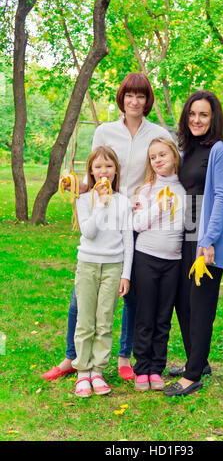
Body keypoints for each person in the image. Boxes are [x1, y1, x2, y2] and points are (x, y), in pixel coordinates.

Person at [41, 73, 173, 382]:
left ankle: (124, 357)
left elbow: (162, 168)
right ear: (122, 98)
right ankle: (72, 358)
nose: (134, 101)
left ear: (147, 100)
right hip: (104, 213)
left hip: (137, 217)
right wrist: (77, 186)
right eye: (129, 95)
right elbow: (94, 169)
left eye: (141, 96)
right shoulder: (104, 130)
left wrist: (150, 198)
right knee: (81, 295)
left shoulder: (157, 132)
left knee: (130, 291)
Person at [164, 90, 223, 397]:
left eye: (203, 114)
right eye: (192, 114)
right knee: (184, 301)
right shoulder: (189, 148)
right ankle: (199, 360)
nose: (196, 119)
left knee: (201, 305)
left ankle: (193, 376)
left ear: (213, 118)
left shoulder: (221, 152)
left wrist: (208, 241)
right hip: (185, 236)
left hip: (206, 241)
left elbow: (222, 198)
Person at [72, 146, 133, 397]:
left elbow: (128, 240)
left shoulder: (124, 202)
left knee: (105, 321)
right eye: (97, 167)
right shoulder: (84, 200)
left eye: (108, 166)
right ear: (91, 171)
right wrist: (100, 203)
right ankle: (82, 372)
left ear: (116, 170)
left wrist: (125, 274)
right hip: (87, 265)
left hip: (113, 267)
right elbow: (89, 232)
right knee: (85, 321)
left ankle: (98, 371)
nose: (103, 171)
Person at [132, 138, 185, 391]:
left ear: (174, 155)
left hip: (173, 262)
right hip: (146, 257)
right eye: (153, 157)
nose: (158, 160)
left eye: (162, 154)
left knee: (163, 317)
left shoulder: (184, 189)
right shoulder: (147, 190)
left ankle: (156, 369)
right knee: (145, 315)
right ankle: (141, 368)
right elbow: (137, 225)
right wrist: (156, 208)